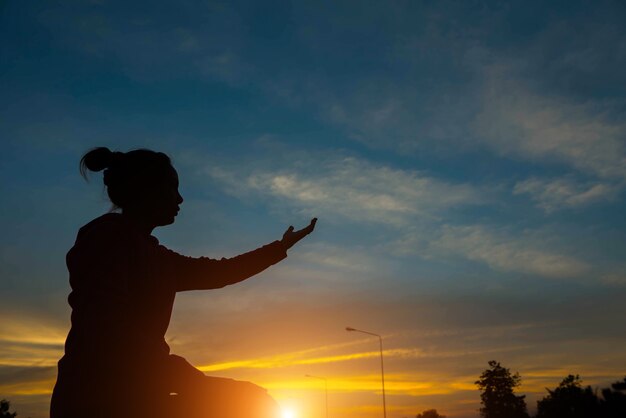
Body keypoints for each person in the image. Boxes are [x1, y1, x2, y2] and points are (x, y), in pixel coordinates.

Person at [50, 147, 317, 418]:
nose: (180, 198)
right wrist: (181, 375)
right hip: (100, 395)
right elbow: (107, 330)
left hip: (140, 388)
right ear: (145, 188)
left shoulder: (157, 256)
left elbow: (220, 272)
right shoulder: (107, 237)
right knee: (250, 402)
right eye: (172, 187)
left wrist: (279, 248)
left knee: (252, 401)